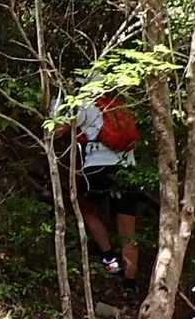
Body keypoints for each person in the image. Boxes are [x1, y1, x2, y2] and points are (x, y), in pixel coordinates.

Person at [54, 89, 143, 280]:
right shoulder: (120, 106)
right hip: (128, 170)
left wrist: (55, 108)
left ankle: (109, 258)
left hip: (98, 168)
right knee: (128, 231)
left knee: (86, 209)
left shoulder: (84, 104)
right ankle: (130, 283)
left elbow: (57, 130)